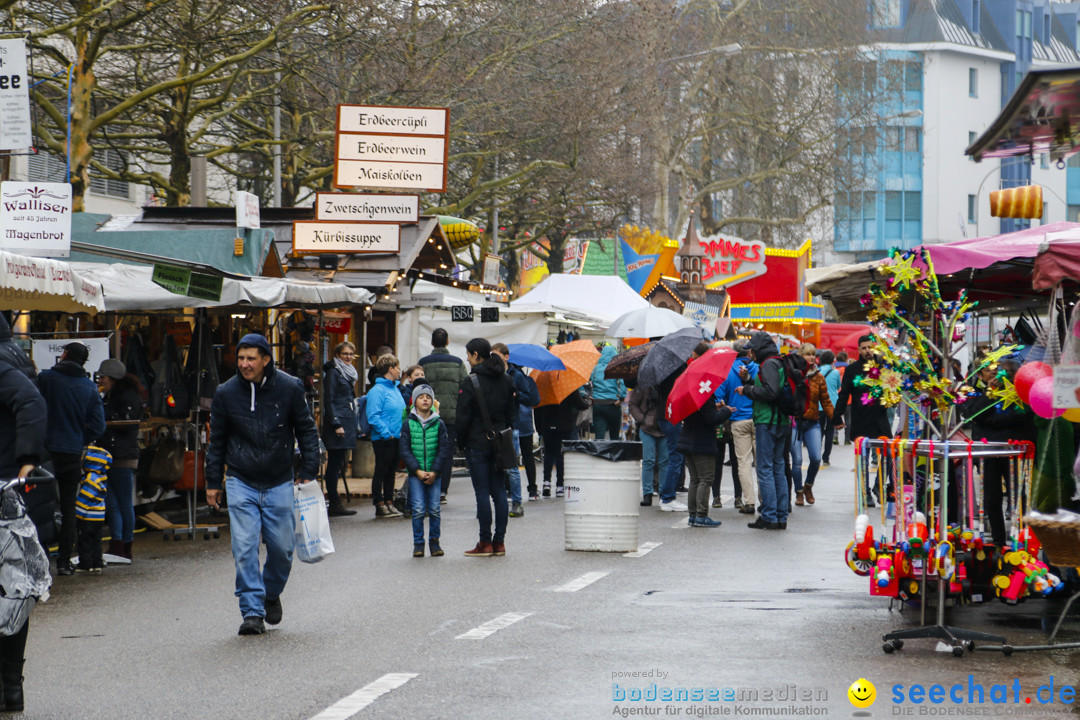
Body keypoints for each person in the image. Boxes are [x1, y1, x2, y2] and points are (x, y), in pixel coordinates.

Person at [204, 333, 320, 636]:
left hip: (279, 479)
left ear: (266, 359)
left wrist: (309, 467)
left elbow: (306, 429)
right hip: (241, 479)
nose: (244, 364)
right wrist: (213, 481)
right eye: (240, 358)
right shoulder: (225, 393)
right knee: (244, 548)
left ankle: (270, 593)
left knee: (282, 549)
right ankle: (252, 611)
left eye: (251, 358)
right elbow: (216, 441)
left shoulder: (290, 387)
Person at [0, 347, 47, 713]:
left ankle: (11, 684)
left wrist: (26, 462)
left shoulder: (3, 370)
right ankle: (11, 685)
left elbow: (31, 402)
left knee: (12, 589)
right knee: (12, 589)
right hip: (10, 491)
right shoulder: (13, 362)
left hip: (5, 493)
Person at [36, 342, 106, 575]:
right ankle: (64, 561)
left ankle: (40, 558)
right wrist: (79, 438)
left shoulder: (46, 379)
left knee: (40, 507)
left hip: (45, 452)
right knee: (68, 509)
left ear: (64, 354)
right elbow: (98, 426)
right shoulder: (89, 387)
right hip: (72, 453)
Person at [964, 357, 1034, 547]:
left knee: (1018, 496)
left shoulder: (1019, 391)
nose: (995, 373)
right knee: (992, 497)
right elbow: (973, 414)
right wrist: (990, 392)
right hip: (988, 452)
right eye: (989, 370)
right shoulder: (974, 392)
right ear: (980, 374)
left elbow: (1024, 415)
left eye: (998, 368)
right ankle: (998, 541)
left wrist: (991, 421)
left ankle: (1021, 540)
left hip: (1014, 452)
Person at [456, 338, 516, 557]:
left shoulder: (471, 381)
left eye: (468, 355)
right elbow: (511, 414)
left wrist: (460, 443)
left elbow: (462, 417)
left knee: (482, 493)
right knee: (499, 492)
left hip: (477, 442)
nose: (467, 359)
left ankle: (484, 542)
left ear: (475, 355)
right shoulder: (506, 380)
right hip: (500, 441)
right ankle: (499, 542)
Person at [735, 332, 788, 530]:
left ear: (759, 349)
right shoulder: (779, 362)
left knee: (765, 469)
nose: (750, 353)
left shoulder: (768, 365)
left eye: (752, 349)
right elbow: (771, 388)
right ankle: (780, 515)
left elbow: (770, 392)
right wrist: (749, 380)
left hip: (768, 422)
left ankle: (769, 515)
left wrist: (746, 390)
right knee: (778, 468)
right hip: (781, 421)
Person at [833, 335, 893, 506]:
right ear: (859, 350)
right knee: (863, 459)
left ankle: (878, 485)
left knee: (889, 454)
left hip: (880, 419)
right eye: (864, 348)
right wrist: (837, 416)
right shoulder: (852, 370)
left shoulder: (882, 366)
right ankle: (865, 491)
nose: (867, 351)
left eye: (869, 347)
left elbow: (892, 388)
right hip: (860, 420)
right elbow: (844, 394)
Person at [95, 359, 144, 560]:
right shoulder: (110, 395)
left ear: (112, 378)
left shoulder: (125, 396)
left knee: (122, 502)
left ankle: (125, 544)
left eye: (103, 377)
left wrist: (104, 414)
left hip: (122, 455)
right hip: (110, 453)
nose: (101, 381)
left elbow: (128, 423)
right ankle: (117, 543)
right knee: (113, 502)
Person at [399, 384, 451, 557]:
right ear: (415, 401)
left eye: (428, 397)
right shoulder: (408, 424)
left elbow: (444, 449)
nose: (425, 399)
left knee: (435, 509)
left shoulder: (439, 423)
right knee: (419, 509)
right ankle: (418, 543)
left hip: (435, 474)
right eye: (421, 397)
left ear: (433, 401)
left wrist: (435, 471)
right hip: (416, 474)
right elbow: (405, 449)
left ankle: (435, 542)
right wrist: (417, 470)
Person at [419, 329, 469, 502]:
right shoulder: (457, 363)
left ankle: (427, 485)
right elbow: (466, 387)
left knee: (427, 451)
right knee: (446, 453)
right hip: (451, 416)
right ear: (447, 342)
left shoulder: (423, 363)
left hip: (427, 415)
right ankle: (442, 490)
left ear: (432, 342)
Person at [492, 343, 539, 516]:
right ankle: (502, 498)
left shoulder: (516, 376)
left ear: (506, 357)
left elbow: (529, 398)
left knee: (512, 466)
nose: (494, 359)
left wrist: (516, 394)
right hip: (495, 425)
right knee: (497, 466)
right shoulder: (492, 375)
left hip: (513, 424)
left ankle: (517, 501)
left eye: (497, 355)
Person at [678, 393, 732, 528]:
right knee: (705, 479)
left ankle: (693, 515)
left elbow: (701, 414)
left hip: (687, 439)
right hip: (702, 442)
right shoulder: (705, 395)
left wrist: (713, 407)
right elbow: (710, 419)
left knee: (695, 479)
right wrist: (726, 411)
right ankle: (701, 515)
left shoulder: (689, 395)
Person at [790, 344, 833, 507]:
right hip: (794, 423)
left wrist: (834, 419)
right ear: (800, 355)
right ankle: (799, 491)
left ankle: (808, 486)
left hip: (813, 422)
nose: (810, 357)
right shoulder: (793, 374)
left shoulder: (818, 376)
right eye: (807, 354)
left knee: (816, 458)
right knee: (797, 460)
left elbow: (826, 401)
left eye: (813, 355)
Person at [321, 342, 360, 517]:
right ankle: (334, 503)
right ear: (337, 354)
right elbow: (328, 400)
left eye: (351, 354)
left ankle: (335, 501)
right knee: (335, 463)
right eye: (345, 353)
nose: (348, 357)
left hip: (347, 420)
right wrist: (336, 424)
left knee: (339, 463)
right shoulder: (333, 373)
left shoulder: (348, 372)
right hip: (338, 423)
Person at [366, 354, 406, 518]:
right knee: (381, 470)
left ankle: (389, 501)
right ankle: (379, 503)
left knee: (391, 471)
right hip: (384, 438)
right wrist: (385, 433)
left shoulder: (395, 388)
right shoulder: (377, 390)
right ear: (390, 369)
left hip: (396, 437)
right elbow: (373, 416)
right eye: (397, 367)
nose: (399, 370)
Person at [721, 340, 757, 514]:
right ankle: (766, 501)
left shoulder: (727, 370)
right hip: (758, 419)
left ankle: (749, 502)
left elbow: (719, 397)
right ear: (749, 352)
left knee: (743, 463)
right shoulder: (758, 368)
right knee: (763, 463)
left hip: (737, 421)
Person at [534, 387, 590, 498]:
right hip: (565, 425)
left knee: (548, 453)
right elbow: (579, 404)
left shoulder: (544, 386)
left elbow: (537, 407)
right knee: (560, 455)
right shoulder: (567, 385)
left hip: (547, 424)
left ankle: (546, 483)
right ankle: (560, 486)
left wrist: (539, 428)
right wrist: (588, 403)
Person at [629, 383, 666, 506]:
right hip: (647, 428)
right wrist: (642, 419)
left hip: (665, 427)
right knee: (648, 461)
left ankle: (664, 493)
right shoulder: (644, 384)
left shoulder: (670, 383)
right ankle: (647, 494)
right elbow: (633, 403)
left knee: (664, 461)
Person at [74, 446, 110, 573]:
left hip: (88, 516)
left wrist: (77, 514)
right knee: (96, 541)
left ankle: (85, 563)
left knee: (85, 541)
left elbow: (85, 498)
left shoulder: (91, 478)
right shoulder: (102, 477)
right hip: (99, 515)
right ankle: (97, 562)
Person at [590, 344, 626, 440]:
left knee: (599, 437)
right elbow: (623, 384)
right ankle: (614, 454)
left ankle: (598, 454)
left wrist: (585, 396)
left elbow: (582, 383)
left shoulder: (594, 369)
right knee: (614, 437)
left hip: (597, 404)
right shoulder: (616, 368)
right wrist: (621, 398)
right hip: (613, 405)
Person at [818, 350, 840, 468]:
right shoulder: (835, 372)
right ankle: (826, 457)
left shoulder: (818, 371)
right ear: (832, 360)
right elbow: (838, 386)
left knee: (819, 430)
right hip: (832, 405)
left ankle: (816, 454)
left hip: (819, 404)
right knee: (830, 431)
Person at [833, 351, 852, 445]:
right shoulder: (849, 369)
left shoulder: (833, 369)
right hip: (848, 398)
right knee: (848, 418)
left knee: (836, 415)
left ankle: (835, 436)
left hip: (836, 396)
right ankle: (847, 439)